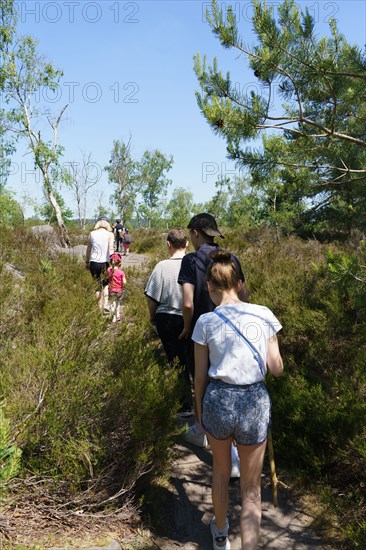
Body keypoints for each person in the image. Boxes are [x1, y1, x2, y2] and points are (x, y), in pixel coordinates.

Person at [192, 249, 284, 550]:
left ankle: (220, 532)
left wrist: (198, 412)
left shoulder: (205, 322)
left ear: (209, 287)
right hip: (254, 401)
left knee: (220, 472)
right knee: (251, 486)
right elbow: (277, 369)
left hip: (218, 400)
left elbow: (201, 377)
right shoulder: (264, 314)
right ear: (240, 283)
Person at [178, 213, 249, 469]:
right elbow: (244, 295)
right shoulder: (231, 259)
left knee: (204, 383)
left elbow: (187, 302)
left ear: (196, 232)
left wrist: (187, 327)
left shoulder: (190, 260)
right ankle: (235, 449)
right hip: (232, 329)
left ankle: (204, 432)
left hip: (202, 329)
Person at [144, 228, 192, 415]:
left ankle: (184, 405)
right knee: (194, 360)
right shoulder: (194, 263)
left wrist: (152, 316)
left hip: (168, 319)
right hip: (193, 317)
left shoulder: (162, 266)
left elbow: (151, 298)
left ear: (168, 244)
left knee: (176, 361)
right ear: (187, 244)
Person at [85, 215, 115, 310]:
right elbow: (111, 249)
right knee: (105, 285)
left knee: (97, 285)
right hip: (104, 263)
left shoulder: (92, 233)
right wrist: (113, 262)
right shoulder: (110, 234)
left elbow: (89, 248)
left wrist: (87, 262)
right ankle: (105, 305)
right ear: (107, 223)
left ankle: (99, 307)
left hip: (93, 262)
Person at [107, 252, 126, 323]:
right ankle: (118, 315)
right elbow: (124, 282)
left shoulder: (108, 270)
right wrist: (122, 285)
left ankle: (113, 317)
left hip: (111, 290)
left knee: (112, 304)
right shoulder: (121, 272)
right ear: (119, 263)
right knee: (118, 302)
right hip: (119, 290)